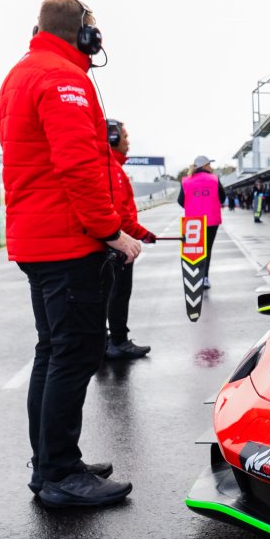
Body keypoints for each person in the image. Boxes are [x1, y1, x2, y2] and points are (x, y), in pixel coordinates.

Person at [0, 0, 139, 508]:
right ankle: (60, 474)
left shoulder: (21, 73)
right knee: (75, 354)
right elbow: (78, 166)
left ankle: (52, 462)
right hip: (66, 243)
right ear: (82, 34)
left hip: (36, 240)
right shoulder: (63, 79)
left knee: (51, 352)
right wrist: (112, 232)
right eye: (93, 30)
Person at [105, 119, 157, 360]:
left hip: (111, 244)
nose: (128, 142)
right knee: (118, 294)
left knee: (110, 294)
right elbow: (121, 217)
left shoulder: (110, 166)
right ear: (113, 139)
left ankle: (108, 340)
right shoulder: (111, 169)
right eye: (125, 137)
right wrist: (142, 234)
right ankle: (117, 341)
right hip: (118, 247)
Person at [181, 154, 223, 289]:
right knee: (208, 249)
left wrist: (192, 207)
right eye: (209, 164)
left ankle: (195, 278)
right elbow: (222, 197)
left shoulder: (186, 181)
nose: (211, 167)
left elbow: (180, 200)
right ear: (204, 166)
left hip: (193, 221)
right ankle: (205, 278)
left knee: (196, 250)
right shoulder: (215, 179)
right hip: (212, 220)